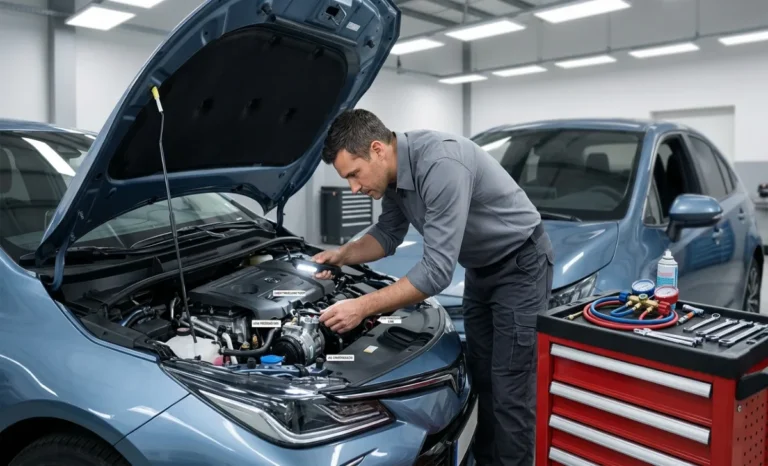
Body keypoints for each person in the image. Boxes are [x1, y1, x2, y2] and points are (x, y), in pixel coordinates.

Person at [312, 109, 553, 466]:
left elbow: (437, 272)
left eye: (354, 174)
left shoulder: (440, 163)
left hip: (520, 264)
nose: (354, 188)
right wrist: (342, 255)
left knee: (510, 391)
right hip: (481, 269)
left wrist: (362, 307)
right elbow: (386, 236)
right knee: (481, 380)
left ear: (377, 149)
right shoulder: (392, 177)